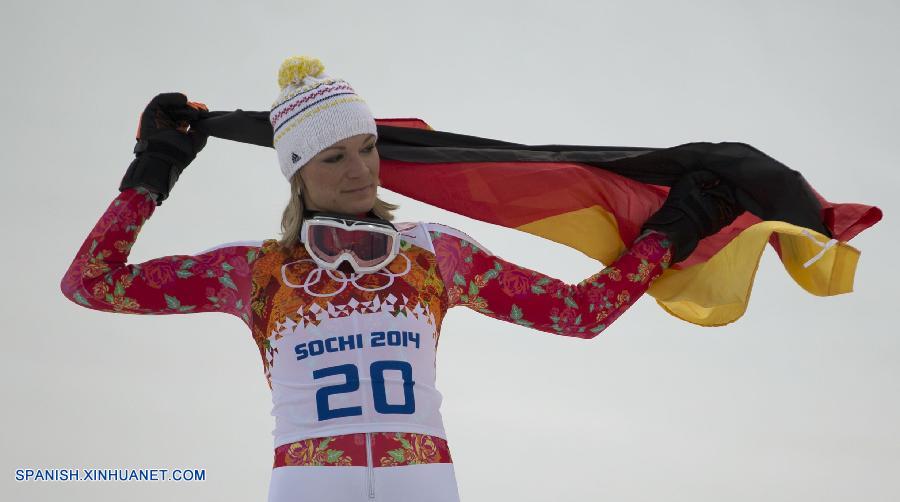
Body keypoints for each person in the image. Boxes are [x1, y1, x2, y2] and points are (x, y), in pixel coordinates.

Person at [60, 56, 741, 502]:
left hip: (425, 482)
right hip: (307, 486)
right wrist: (153, 173)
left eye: (367, 148)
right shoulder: (253, 271)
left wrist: (666, 234)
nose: (360, 170)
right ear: (296, 170)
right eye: (335, 156)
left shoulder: (436, 255)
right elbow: (89, 282)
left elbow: (577, 314)